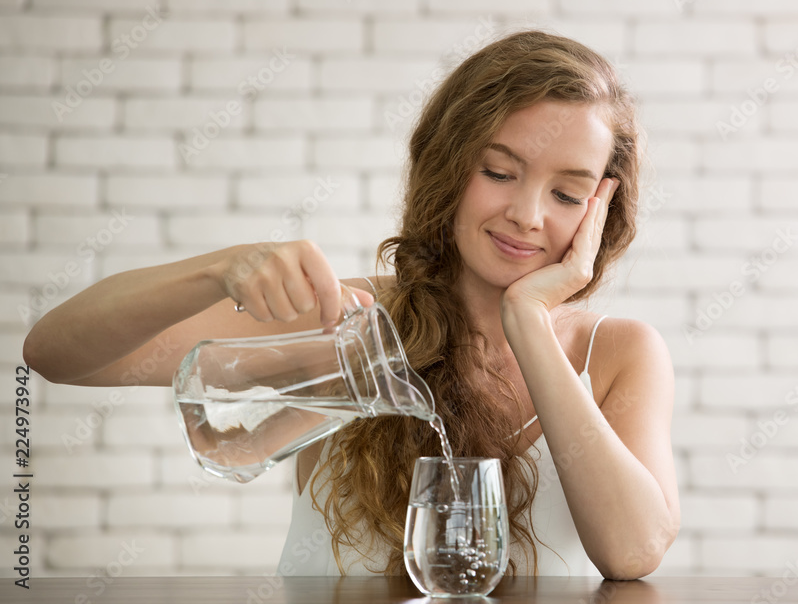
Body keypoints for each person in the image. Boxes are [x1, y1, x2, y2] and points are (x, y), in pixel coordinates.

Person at [23, 29, 680, 580]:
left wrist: (530, 324)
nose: (527, 215)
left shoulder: (620, 355)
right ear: (447, 166)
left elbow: (633, 551)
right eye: (499, 173)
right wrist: (217, 269)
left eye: (567, 194)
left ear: (601, 211)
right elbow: (56, 353)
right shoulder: (345, 321)